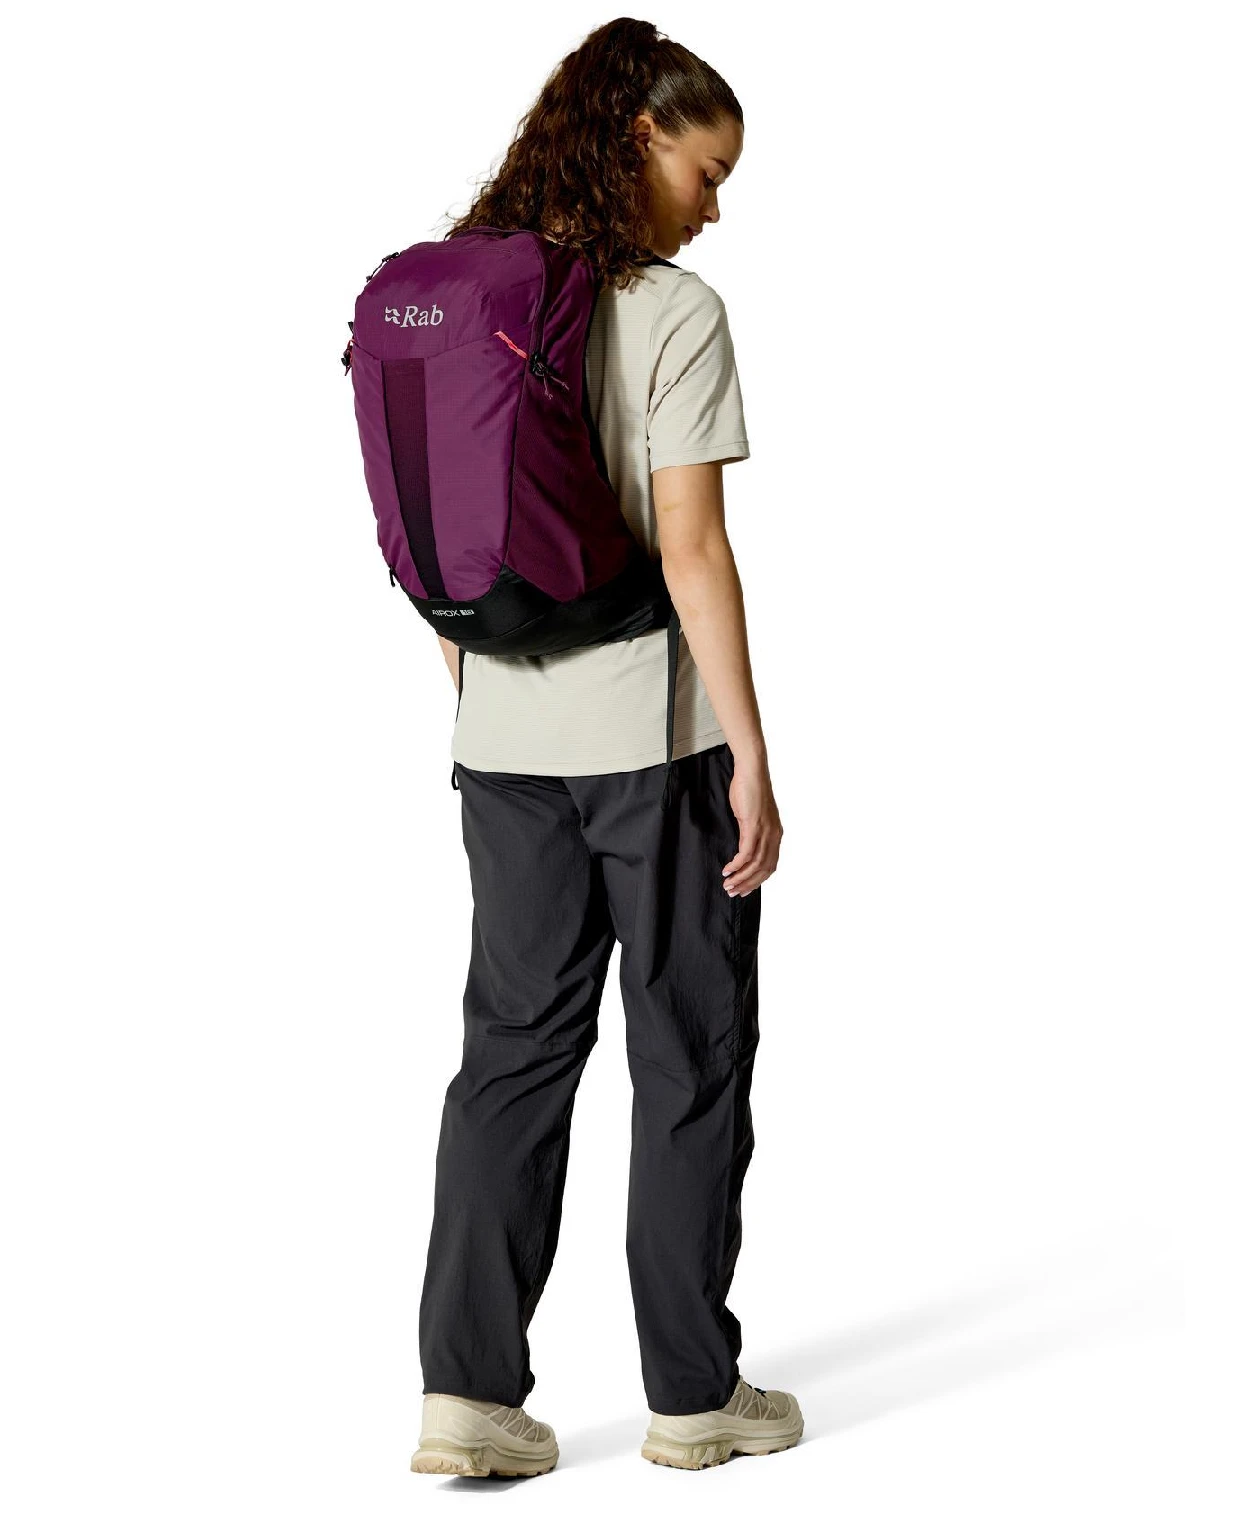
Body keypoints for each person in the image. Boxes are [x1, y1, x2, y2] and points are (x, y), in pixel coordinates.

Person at [408, 17, 802, 1479]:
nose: (716, 207)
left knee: (509, 1058)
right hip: (654, 744)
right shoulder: (672, 311)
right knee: (688, 1053)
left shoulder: (463, 298)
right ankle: (695, 1398)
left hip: (504, 744)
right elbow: (691, 548)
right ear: (643, 138)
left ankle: (466, 1402)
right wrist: (749, 751)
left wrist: (482, 685)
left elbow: (436, 542)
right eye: (709, 171)